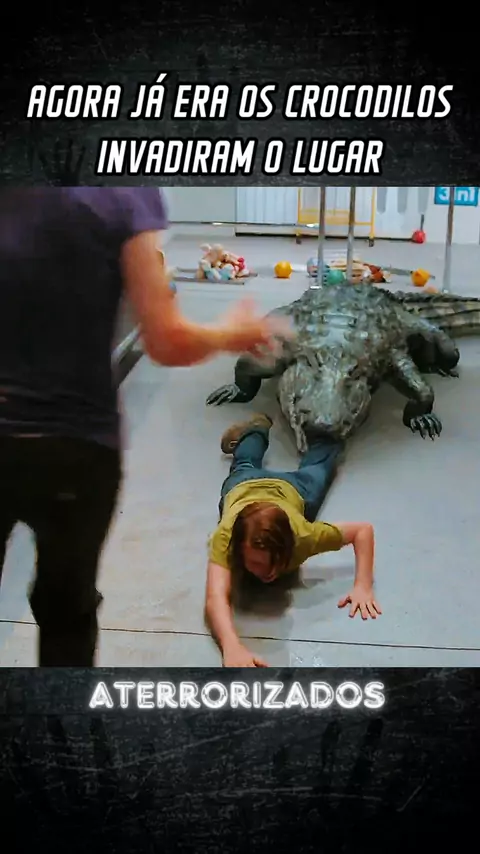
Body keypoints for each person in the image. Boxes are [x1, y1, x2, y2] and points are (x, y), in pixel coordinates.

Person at [0, 188, 291, 667]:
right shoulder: (122, 193)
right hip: (76, 449)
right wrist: (233, 334)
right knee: (66, 614)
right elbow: (166, 339)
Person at [205, 414, 382, 667]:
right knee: (244, 462)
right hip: (242, 487)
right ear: (240, 549)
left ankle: (324, 428)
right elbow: (215, 598)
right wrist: (231, 646)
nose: (268, 573)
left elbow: (362, 531)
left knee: (321, 466)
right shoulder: (226, 538)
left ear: (290, 546)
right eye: (257, 563)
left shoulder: (303, 536)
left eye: (277, 561)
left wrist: (363, 586)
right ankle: (256, 429)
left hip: (292, 488)